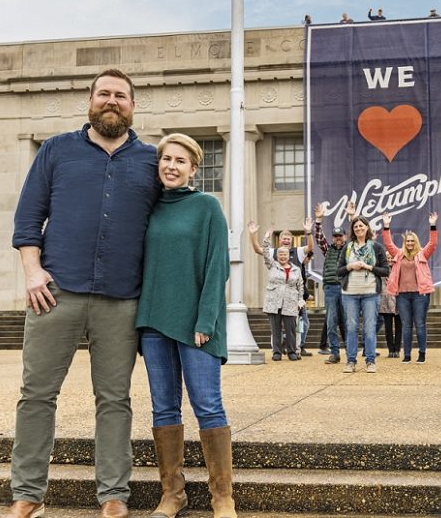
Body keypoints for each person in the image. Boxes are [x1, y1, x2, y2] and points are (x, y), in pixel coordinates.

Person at [7, 69, 160, 518]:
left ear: (133, 106)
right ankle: (27, 493)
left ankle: (113, 494)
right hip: (55, 293)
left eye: (121, 95)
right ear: (90, 101)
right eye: (104, 94)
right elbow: (27, 218)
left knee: (114, 399)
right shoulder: (57, 150)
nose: (112, 101)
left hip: (122, 298)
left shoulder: (151, 161)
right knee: (36, 395)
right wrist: (33, 273)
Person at [134, 133, 235, 518]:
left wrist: (207, 318)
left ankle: (222, 496)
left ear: (194, 168)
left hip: (197, 323)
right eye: (166, 159)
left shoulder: (207, 206)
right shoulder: (149, 209)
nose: (171, 166)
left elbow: (217, 266)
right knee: (164, 408)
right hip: (153, 322)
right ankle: (172, 494)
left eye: (180, 161)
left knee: (208, 406)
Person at [249, 220, 314, 357]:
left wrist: (308, 232)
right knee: (276, 328)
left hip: (292, 299)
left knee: (298, 326)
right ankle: (277, 351)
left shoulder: (297, 258)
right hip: (275, 299)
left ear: (291, 240)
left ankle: (296, 349)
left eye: (288, 238)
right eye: (283, 238)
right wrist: (254, 235)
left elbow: (310, 248)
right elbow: (261, 250)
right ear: (279, 242)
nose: (283, 255)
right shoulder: (272, 260)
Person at [381, 211, 439, 364]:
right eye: (408, 241)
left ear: (416, 242)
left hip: (420, 295)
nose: (410, 244)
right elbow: (388, 244)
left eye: (412, 241)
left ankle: (422, 353)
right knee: (406, 325)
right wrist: (386, 226)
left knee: (420, 324)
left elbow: (432, 244)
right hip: (402, 295)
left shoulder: (422, 254)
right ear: (405, 243)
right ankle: (406, 355)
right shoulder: (398, 254)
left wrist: (433, 225)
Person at [336, 216, 390, 373]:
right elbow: (338, 271)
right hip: (350, 293)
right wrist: (350, 266)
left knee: (369, 328)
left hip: (370, 293)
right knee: (351, 327)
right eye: (355, 227)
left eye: (361, 226)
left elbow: (385, 270)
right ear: (353, 230)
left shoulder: (376, 247)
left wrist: (368, 267)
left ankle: (370, 361)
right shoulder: (347, 247)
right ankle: (351, 361)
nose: (358, 229)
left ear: (367, 228)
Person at [313, 202, 353, 363]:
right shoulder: (327, 249)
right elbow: (318, 237)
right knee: (331, 321)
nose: (338, 238)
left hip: (345, 287)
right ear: (333, 238)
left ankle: (351, 353)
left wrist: (352, 217)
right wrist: (318, 220)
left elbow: (356, 236)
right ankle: (335, 353)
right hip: (330, 288)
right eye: (335, 236)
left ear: (344, 237)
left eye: (340, 236)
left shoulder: (349, 249)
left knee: (349, 321)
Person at [378, 280, 402, 357]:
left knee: (399, 328)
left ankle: (397, 350)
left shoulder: (399, 270)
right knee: (388, 328)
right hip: (385, 303)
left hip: (399, 302)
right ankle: (391, 350)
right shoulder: (383, 272)